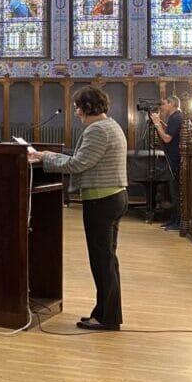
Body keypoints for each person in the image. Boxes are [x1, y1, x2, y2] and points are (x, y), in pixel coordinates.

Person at [29, 86, 128, 331]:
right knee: (106, 260)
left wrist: (43, 157)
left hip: (102, 200)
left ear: (87, 107)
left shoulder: (97, 130)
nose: (75, 112)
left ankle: (107, 318)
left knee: (102, 261)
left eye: (77, 107)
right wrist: (48, 155)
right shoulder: (110, 126)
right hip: (112, 197)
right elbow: (82, 159)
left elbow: (78, 164)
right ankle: (104, 313)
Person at [151, 95, 182, 231]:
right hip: (173, 157)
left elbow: (167, 138)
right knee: (173, 190)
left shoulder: (176, 117)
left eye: (163, 104)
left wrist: (157, 124)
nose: (161, 107)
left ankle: (178, 221)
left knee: (175, 192)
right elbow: (170, 130)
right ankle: (174, 219)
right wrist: (161, 123)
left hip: (175, 159)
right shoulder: (174, 118)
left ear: (171, 104)